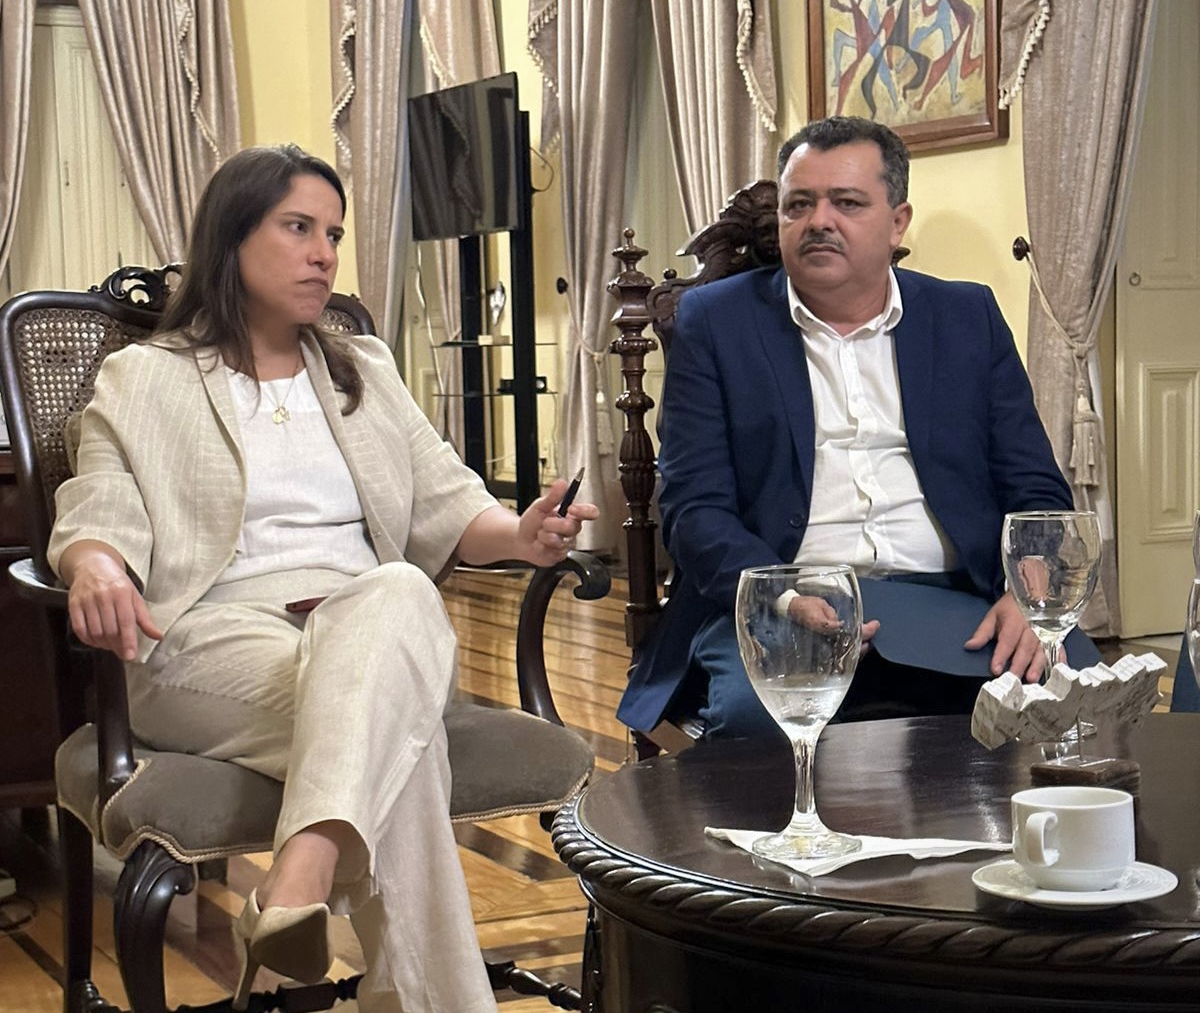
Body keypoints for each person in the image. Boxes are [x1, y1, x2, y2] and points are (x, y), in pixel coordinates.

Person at [48, 144, 597, 1012]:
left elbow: (450, 501)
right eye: (298, 228)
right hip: (208, 639)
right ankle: (331, 906)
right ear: (232, 238)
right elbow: (97, 506)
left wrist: (523, 535)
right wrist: (95, 566)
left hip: (370, 627)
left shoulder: (363, 370)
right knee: (399, 733)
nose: (324, 255)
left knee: (396, 592)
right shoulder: (143, 378)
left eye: (333, 235)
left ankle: (297, 875)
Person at [617, 115, 1100, 741]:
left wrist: (1028, 594)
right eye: (799, 204)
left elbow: (1034, 486)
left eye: (846, 203)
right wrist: (784, 596)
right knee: (759, 727)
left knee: (1084, 704)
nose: (819, 221)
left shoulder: (965, 316)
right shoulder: (716, 323)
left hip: (956, 601)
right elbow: (694, 509)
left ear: (898, 222)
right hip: (781, 600)